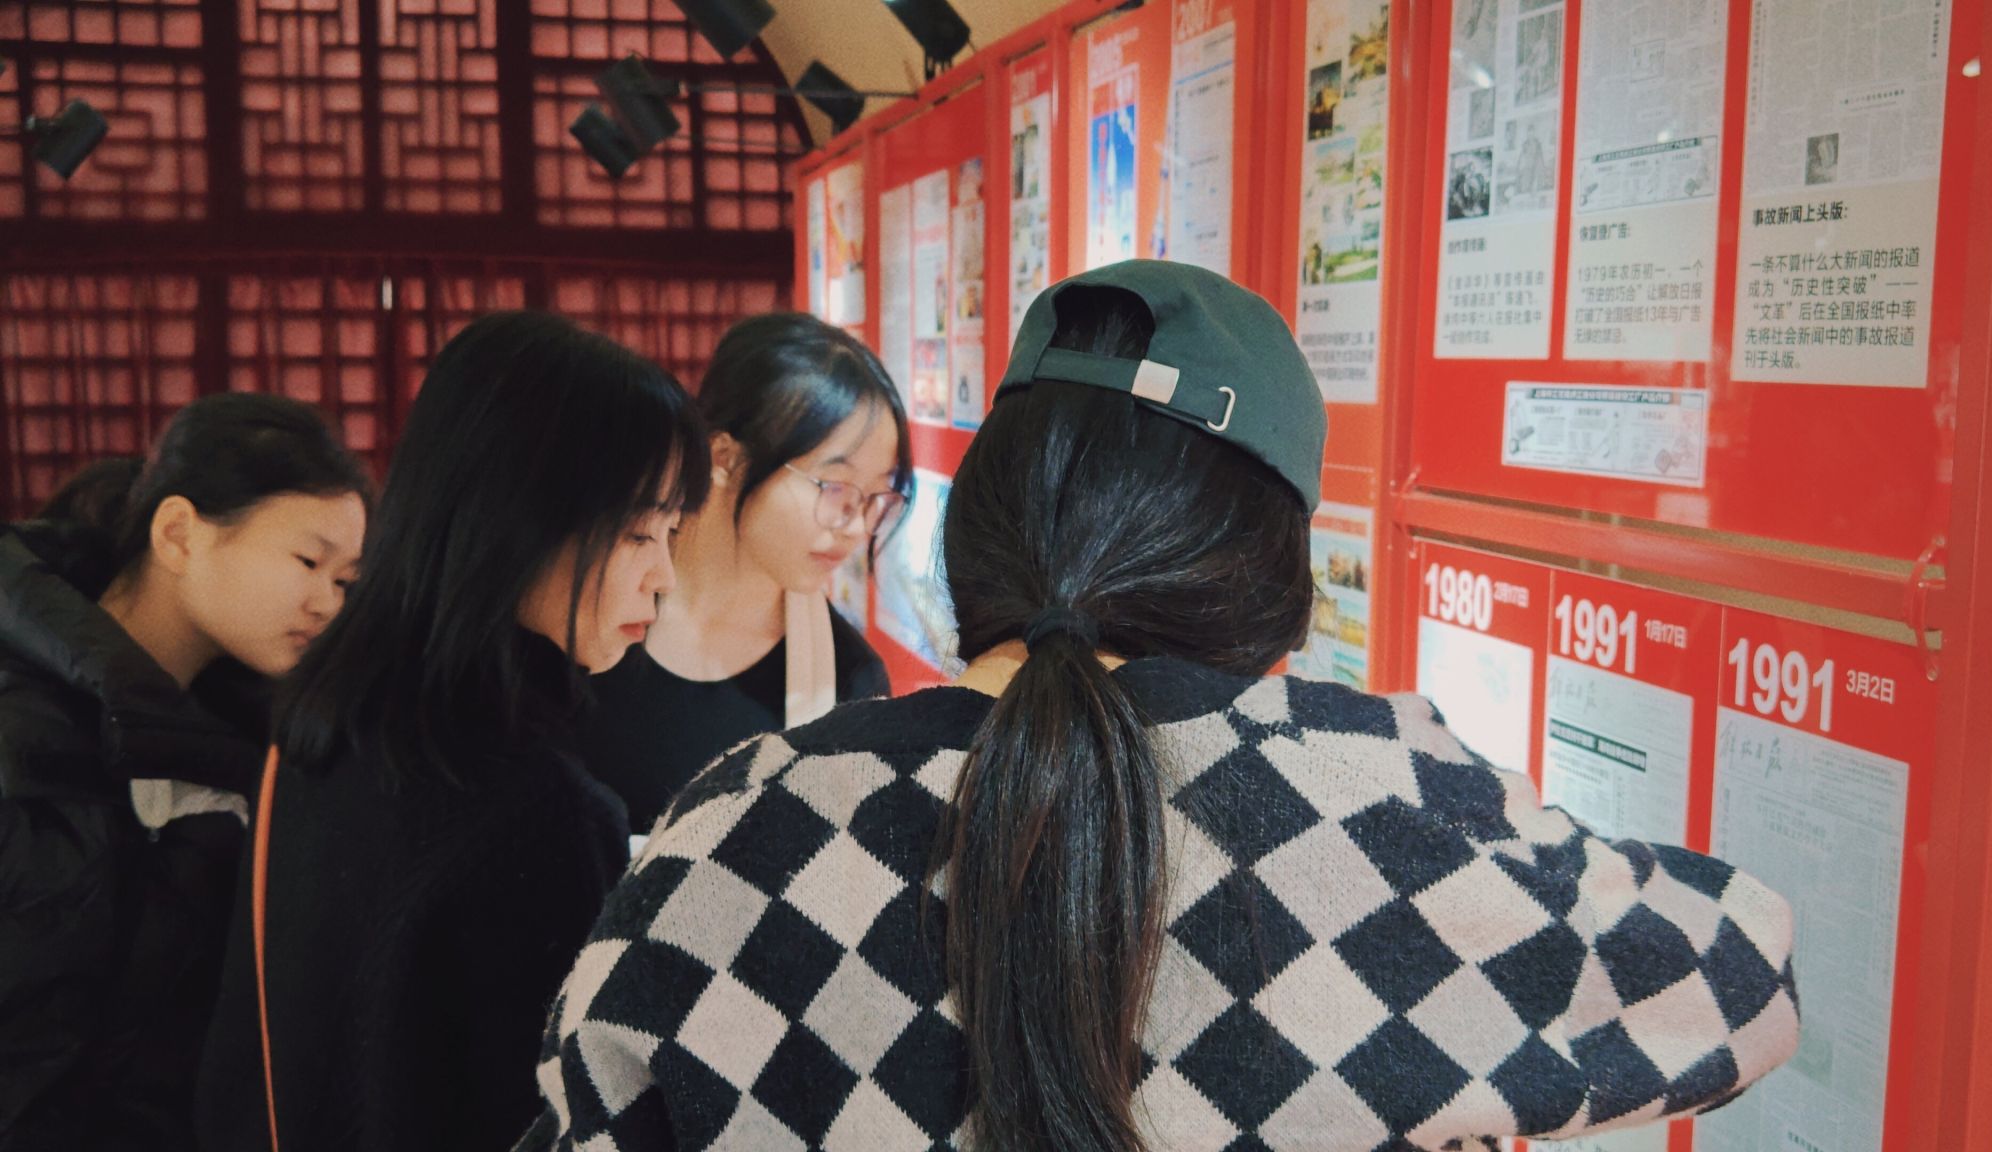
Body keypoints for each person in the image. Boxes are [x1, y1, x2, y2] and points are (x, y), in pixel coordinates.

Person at [517, 262, 1801, 1152]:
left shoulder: (737, 828)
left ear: (983, 526)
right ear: (1264, 567)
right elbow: (1745, 976)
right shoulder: (1375, 808)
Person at [195, 312, 709, 1152]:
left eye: (673, 534)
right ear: (521, 514)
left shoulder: (329, 711)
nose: (663, 575)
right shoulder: (532, 809)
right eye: (638, 531)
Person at [0, 403, 370, 1152]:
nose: (327, 603)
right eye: (309, 562)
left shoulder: (251, 746)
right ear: (178, 534)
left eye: (345, 580)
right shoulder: (26, 716)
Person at [583, 312, 907, 835]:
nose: (856, 526)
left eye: (876, 496)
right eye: (834, 487)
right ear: (724, 457)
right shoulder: (586, 616)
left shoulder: (849, 678)